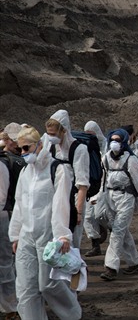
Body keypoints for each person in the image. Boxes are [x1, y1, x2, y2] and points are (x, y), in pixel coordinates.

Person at [9, 127, 81, 320]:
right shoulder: (25, 172)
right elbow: (19, 204)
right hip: (26, 236)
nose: (24, 153)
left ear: (39, 145)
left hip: (48, 235)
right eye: (20, 150)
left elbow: (60, 204)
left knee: (48, 284)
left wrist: (62, 234)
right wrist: (15, 235)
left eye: (27, 148)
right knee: (26, 288)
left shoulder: (58, 169)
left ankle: (72, 315)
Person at [100, 128, 138, 281]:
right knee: (121, 231)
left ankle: (110, 267)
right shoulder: (105, 159)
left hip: (126, 198)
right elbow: (103, 180)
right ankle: (134, 262)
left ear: (123, 142)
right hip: (110, 197)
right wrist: (97, 197)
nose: (114, 143)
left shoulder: (131, 160)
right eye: (112, 140)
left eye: (118, 140)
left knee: (117, 232)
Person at [45, 110, 90, 250]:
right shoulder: (51, 147)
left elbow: (82, 184)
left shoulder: (79, 149)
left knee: (71, 243)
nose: (50, 137)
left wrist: (79, 211)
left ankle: (75, 270)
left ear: (63, 131)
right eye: (48, 134)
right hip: (55, 197)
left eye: (53, 134)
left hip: (73, 198)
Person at [82, 121, 108, 257]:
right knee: (87, 216)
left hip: (105, 186)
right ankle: (95, 243)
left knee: (101, 214)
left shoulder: (107, 146)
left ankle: (108, 230)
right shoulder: (86, 146)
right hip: (91, 184)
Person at [0, 148, 17, 318]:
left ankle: (11, 307)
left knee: (4, 263)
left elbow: (2, 197)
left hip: (1, 219)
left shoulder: (1, 166)